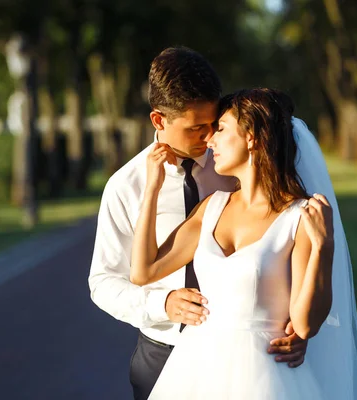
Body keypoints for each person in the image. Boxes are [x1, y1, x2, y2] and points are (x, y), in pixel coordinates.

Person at [88, 47, 310, 400]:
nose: (209, 138)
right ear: (159, 121)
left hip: (244, 357)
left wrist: (299, 328)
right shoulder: (125, 186)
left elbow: (285, 245)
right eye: (196, 128)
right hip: (163, 352)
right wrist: (162, 304)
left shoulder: (234, 168)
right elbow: (102, 282)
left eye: (214, 124)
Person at [131, 88, 336, 399]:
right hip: (196, 371)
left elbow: (305, 325)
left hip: (265, 378)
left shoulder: (299, 216)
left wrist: (324, 247)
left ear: (252, 137)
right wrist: (152, 188)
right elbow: (143, 271)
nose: (209, 140)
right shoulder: (212, 207)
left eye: (221, 129)